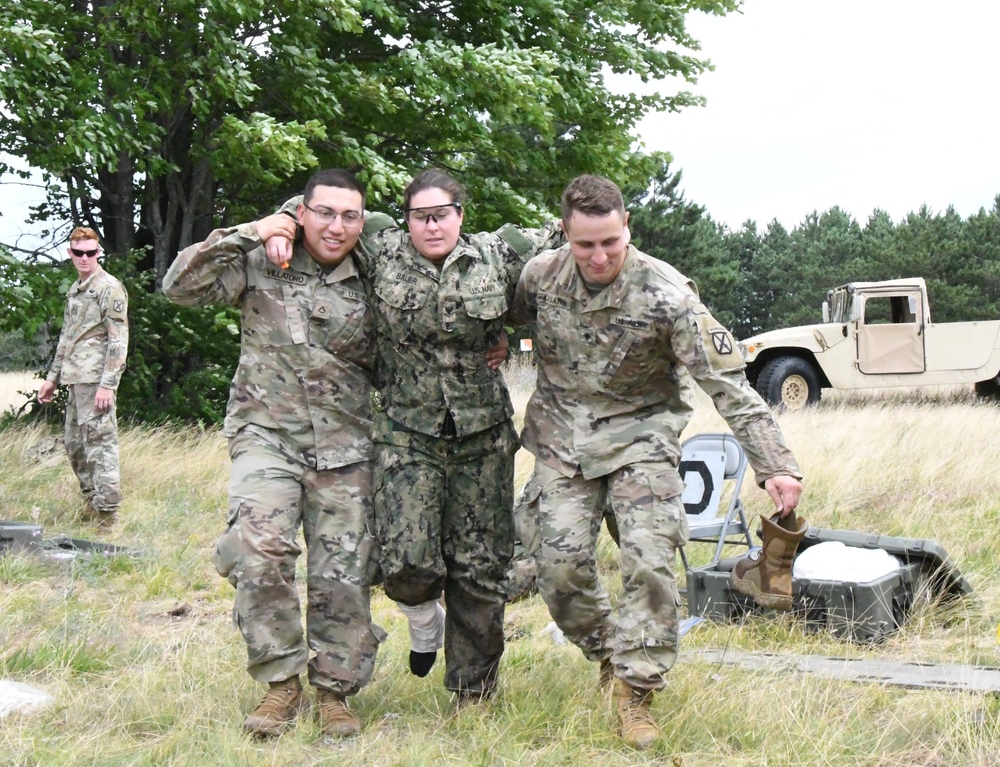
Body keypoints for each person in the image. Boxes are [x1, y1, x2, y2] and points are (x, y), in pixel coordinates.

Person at [508, 174, 804, 748]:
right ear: (564, 235)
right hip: (562, 441)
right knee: (558, 569)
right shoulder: (539, 276)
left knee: (649, 564)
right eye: (584, 245)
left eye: (610, 243)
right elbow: (504, 321)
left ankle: (637, 693)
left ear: (627, 229)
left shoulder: (669, 295)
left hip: (641, 439)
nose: (598, 257)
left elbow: (730, 387)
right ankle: (611, 654)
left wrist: (775, 465)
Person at [267, 167, 560, 701]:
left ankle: (473, 692)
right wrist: (284, 222)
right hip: (406, 430)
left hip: (482, 436)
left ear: (460, 216)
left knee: (479, 568)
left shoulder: (498, 253)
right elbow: (320, 208)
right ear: (405, 220)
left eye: (441, 215)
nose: (430, 226)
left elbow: (567, 233)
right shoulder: (379, 247)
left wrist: (519, 330)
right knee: (405, 558)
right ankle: (423, 616)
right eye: (420, 216)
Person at [162, 169, 384, 739]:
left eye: (350, 216)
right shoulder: (263, 257)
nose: (337, 226)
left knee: (344, 571)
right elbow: (178, 287)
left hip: (348, 443)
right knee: (257, 547)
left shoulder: (377, 270)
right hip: (268, 435)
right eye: (324, 213)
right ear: (302, 213)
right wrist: (257, 229)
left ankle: (335, 691)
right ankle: (281, 682)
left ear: (363, 220)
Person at [38, 226, 129, 524]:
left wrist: (108, 384)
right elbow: (67, 337)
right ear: (70, 254)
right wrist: (52, 378)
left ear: (98, 252)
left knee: (100, 446)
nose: (85, 258)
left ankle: (107, 516)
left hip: (96, 381)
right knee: (75, 445)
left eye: (91, 252)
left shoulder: (108, 288)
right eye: (79, 253)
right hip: (75, 378)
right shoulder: (77, 290)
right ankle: (91, 504)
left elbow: (118, 341)